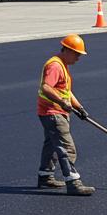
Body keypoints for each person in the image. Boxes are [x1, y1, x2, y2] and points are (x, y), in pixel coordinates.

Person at [37, 34, 95, 196]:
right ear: (67, 50)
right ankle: (73, 182)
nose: (78, 58)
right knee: (66, 147)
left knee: (52, 146)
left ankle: (45, 176)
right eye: (77, 54)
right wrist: (62, 103)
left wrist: (79, 108)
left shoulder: (62, 65)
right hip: (53, 113)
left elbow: (66, 92)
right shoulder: (55, 66)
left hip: (53, 112)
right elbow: (46, 88)